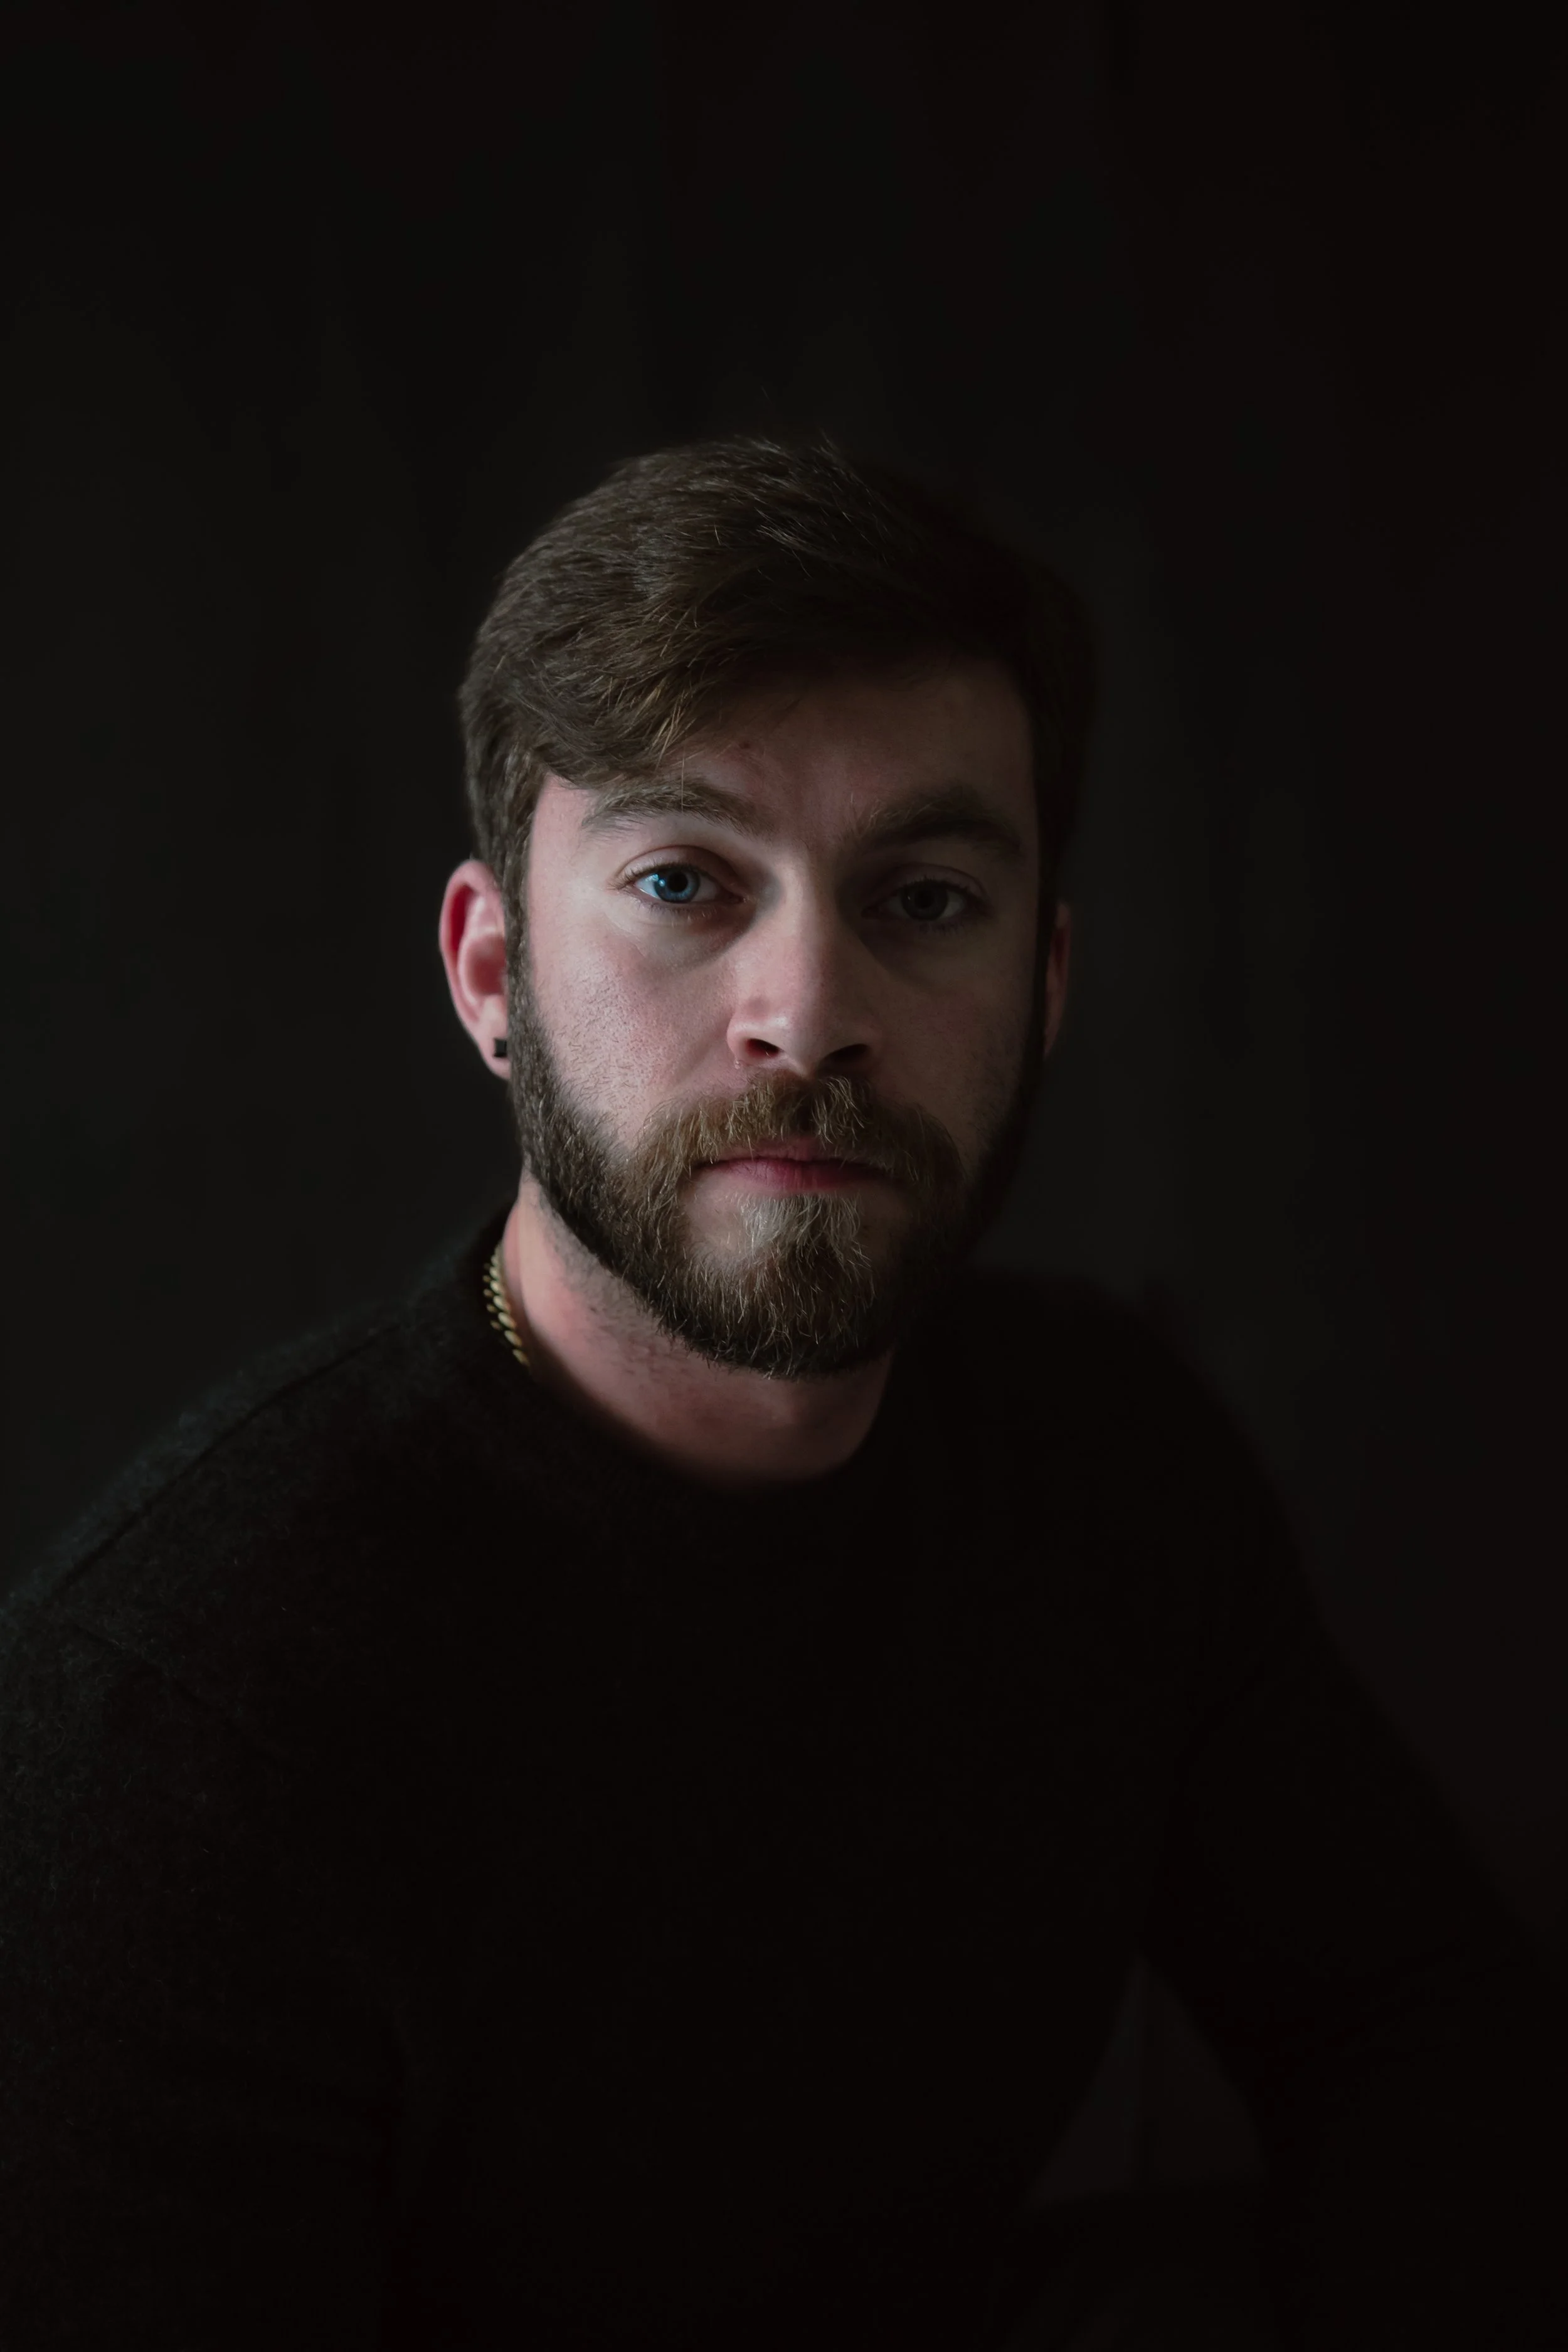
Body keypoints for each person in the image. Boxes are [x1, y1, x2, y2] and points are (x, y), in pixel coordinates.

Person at [1, 434, 1562, 2351]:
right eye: (681, 879)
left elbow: (1410, 2020)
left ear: (1045, 984)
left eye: (922, 900)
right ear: (492, 974)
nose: (807, 1008)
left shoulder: (1103, 1460)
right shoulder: (176, 1726)